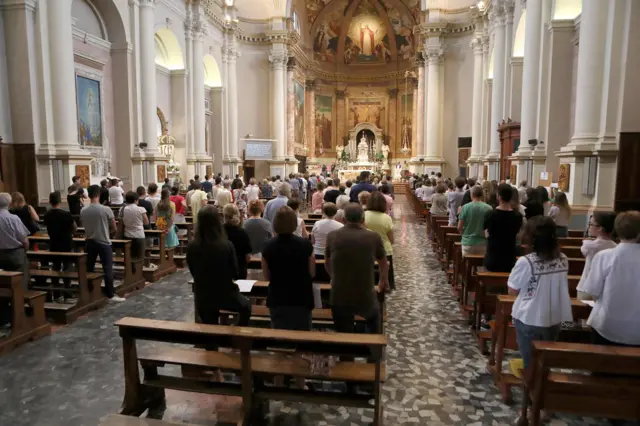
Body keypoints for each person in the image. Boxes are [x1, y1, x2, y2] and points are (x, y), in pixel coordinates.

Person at [507, 216, 572, 369]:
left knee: (530, 361)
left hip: (529, 316)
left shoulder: (526, 261)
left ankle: (531, 391)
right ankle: (541, 387)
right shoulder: (563, 259)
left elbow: (512, 290)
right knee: (545, 360)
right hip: (553, 317)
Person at [577, 211, 640, 346]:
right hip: (636, 328)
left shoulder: (605, 256)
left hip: (607, 325)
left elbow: (591, 292)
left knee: (601, 364)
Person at [326, 203, 389, 334]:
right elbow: (384, 262)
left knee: (343, 331)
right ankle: (372, 347)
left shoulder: (332, 236)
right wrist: (383, 280)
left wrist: (333, 276)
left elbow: (327, 262)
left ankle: (346, 352)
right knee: (374, 319)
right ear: (363, 219)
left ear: (343, 219)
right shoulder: (373, 237)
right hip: (365, 294)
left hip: (339, 294)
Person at [187, 206, 251, 326]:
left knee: (209, 325)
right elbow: (234, 272)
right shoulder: (226, 245)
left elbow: (192, 270)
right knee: (246, 308)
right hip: (225, 294)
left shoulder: (192, 246)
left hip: (203, 296)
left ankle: (212, 343)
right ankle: (236, 337)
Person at [261, 206, 315, 335]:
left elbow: (266, 276)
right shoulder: (306, 245)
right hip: (301, 296)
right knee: (303, 336)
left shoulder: (268, 246)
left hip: (278, 296)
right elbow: (312, 273)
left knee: (279, 336)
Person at [81, 185, 125, 302]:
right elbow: (114, 228)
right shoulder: (105, 209)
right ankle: (110, 294)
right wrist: (107, 231)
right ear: (99, 194)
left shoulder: (83, 210)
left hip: (90, 241)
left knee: (89, 267)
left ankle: (89, 291)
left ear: (89, 195)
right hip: (104, 241)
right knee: (107, 269)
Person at [576, 212, 617, 300]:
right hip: (605, 289)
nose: (589, 227)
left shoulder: (589, 246)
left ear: (599, 228)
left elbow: (584, 252)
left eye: (591, 224)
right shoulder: (615, 246)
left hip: (586, 287)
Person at [484, 184, 523, 272]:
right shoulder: (517, 216)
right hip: (509, 257)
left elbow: (486, 234)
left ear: (499, 197)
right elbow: (516, 232)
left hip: (493, 256)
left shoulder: (491, 214)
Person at [0, 193, 30, 307]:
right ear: (9, 203)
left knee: (3, 284)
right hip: (15, 254)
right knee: (20, 282)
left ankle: (4, 310)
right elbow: (24, 239)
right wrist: (25, 250)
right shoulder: (13, 218)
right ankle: (19, 309)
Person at [43, 191, 77, 292]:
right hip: (66, 242)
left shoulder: (47, 214)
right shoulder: (66, 214)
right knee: (67, 265)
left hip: (53, 242)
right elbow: (74, 227)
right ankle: (67, 287)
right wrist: (70, 232)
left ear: (50, 201)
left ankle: (56, 287)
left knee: (55, 265)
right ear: (60, 201)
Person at [365, 192, 395, 290]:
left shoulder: (363, 215)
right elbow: (391, 239)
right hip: (384, 249)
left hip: (367, 247)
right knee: (384, 269)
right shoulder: (386, 218)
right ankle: (386, 285)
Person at [457, 186, 492, 257]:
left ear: (472, 194)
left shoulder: (465, 207)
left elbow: (459, 227)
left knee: (467, 265)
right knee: (480, 265)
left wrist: (463, 235)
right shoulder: (489, 208)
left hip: (468, 242)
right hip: (482, 242)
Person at [223, 204, 252, 279]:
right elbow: (248, 257)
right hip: (239, 268)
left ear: (225, 215)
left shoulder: (219, 231)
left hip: (224, 268)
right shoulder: (242, 232)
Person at [117, 191, 148, 261]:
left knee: (129, 257)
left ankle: (130, 271)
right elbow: (146, 222)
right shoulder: (141, 209)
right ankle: (139, 271)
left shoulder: (122, 209)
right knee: (140, 258)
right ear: (136, 200)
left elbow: (120, 222)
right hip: (139, 235)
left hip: (127, 235)